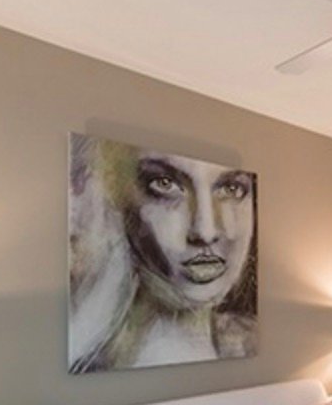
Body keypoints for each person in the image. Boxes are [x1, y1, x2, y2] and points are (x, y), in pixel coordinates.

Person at [69, 136, 258, 372]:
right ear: (115, 200)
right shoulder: (86, 358)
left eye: (231, 188)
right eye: (165, 184)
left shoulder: (250, 341)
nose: (205, 231)